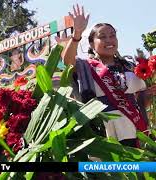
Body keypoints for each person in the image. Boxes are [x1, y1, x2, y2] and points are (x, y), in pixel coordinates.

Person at [62, 4, 156, 147]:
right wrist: (77, 34)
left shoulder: (130, 66)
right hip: (103, 129)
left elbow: (141, 101)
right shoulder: (85, 66)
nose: (109, 40)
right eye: (102, 37)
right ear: (92, 44)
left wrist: (150, 94)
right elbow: (68, 62)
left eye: (112, 35)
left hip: (134, 128)